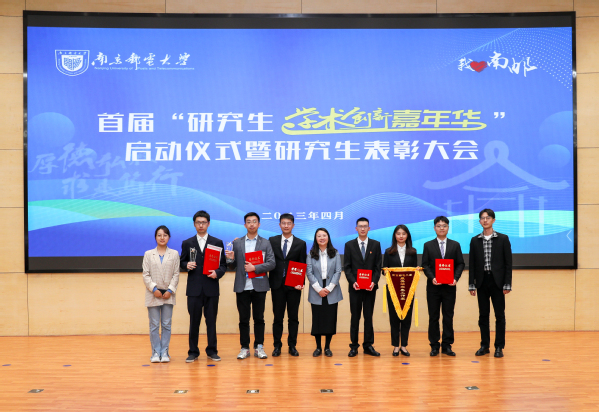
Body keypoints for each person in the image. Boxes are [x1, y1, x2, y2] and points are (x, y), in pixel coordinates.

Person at [226, 212, 276, 360]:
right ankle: (244, 347)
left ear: (259, 224)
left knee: (259, 318)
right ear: (245, 225)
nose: (252, 224)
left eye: (254, 221)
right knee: (243, 319)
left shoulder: (265, 243)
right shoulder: (237, 243)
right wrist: (230, 260)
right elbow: (232, 266)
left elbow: (272, 263)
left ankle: (259, 347)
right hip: (242, 286)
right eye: (249, 221)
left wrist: (255, 268)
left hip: (259, 285)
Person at [180, 210, 228, 363]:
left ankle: (212, 351)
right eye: (198, 222)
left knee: (211, 321)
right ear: (194, 224)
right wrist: (186, 265)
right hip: (194, 289)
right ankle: (193, 352)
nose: (201, 225)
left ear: (208, 224)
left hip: (211, 288)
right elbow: (181, 262)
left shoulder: (217, 242)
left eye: (203, 222)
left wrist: (217, 273)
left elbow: (223, 265)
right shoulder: (187, 243)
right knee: (194, 321)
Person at [469, 209, 512, 358]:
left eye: (488, 218)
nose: (485, 220)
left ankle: (499, 346)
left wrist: (507, 283)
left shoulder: (503, 238)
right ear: (479, 221)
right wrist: (471, 284)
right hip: (482, 282)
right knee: (483, 315)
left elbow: (508, 263)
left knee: (499, 315)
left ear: (493, 220)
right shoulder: (475, 240)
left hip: (497, 282)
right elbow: (472, 264)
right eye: (482, 218)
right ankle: (484, 345)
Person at [421, 216, 465, 357]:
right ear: (434, 228)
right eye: (439, 226)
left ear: (448, 228)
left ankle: (447, 345)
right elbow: (425, 265)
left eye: (444, 225)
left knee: (448, 316)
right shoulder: (428, 245)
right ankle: (434, 345)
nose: (441, 228)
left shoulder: (455, 245)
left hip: (449, 287)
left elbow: (460, 264)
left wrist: (455, 278)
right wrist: (432, 278)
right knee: (433, 317)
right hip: (433, 288)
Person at [268, 213, 307, 357]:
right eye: (283, 223)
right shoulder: (272, 240)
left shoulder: (300, 243)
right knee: (277, 318)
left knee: (293, 318)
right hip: (277, 284)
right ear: (279, 225)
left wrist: (301, 283)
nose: (286, 226)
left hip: (293, 286)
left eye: (289, 223)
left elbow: (302, 263)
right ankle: (277, 346)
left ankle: (292, 346)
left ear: (293, 225)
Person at [344, 217, 382, 357]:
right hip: (355, 288)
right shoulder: (349, 245)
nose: (362, 228)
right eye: (360, 226)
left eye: (365, 226)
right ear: (356, 228)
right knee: (355, 317)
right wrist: (353, 281)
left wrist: (374, 282)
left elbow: (378, 266)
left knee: (368, 317)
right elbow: (347, 267)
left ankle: (368, 345)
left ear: (369, 228)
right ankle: (354, 346)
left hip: (370, 288)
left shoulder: (375, 245)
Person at [142, 225, 180, 363]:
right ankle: (155, 352)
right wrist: (154, 289)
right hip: (153, 293)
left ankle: (164, 352)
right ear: (155, 237)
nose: (162, 238)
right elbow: (145, 275)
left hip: (168, 294)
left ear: (169, 237)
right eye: (159, 235)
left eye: (165, 235)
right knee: (154, 325)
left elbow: (176, 274)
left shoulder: (174, 254)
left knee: (166, 324)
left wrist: (170, 290)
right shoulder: (148, 254)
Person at [306, 228, 343, 357]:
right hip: (316, 290)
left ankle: (327, 347)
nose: (322, 238)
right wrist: (319, 289)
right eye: (319, 236)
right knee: (317, 320)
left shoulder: (335, 253)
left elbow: (338, 271)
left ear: (328, 237)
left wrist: (329, 288)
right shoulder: (311, 254)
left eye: (324, 235)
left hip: (331, 290)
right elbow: (309, 273)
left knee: (330, 320)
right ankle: (318, 348)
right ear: (315, 239)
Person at [382, 224, 418, 357]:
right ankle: (396, 346)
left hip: (408, 290)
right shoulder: (388, 251)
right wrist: (386, 271)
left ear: (407, 235)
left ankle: (404, 346)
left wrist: (416, 270)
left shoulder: (413, 251)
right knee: (394, 318)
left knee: (407, 318)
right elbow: (383, 270)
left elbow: (414, 269)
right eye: (398, 234)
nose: (401, 236)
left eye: (403, 234)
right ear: (394, 236)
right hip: (393, 290)